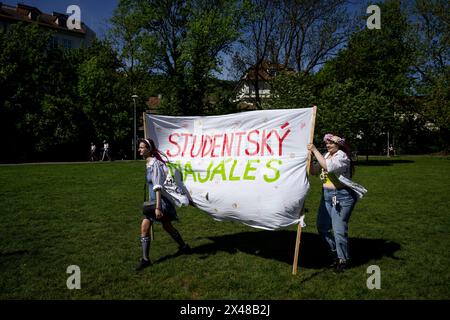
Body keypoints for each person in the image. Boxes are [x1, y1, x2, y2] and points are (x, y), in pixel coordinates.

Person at [307, 133, 366, 273]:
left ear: (338, 144)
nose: (328, 145)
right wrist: (308, 160)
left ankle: (343, 259)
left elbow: (328, 167)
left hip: (342, 196)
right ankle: (335, 251)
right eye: (327, 143)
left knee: (338, 229)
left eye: (331, 143)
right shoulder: (326, 155)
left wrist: (314, 150)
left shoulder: (342, 156)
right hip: (326, 195)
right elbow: (315, 171)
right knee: (322, 227)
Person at [135, 138, 191, 271]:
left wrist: (158, 207)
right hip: (154, 202)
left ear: (148, 149)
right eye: (139, 147)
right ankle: (183, 247)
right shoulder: (148, 163)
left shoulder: (155, 164)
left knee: (154, 226)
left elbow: (158, 187)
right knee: (164, 226)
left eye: (142, 147)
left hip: (160, 202)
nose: (139, 150)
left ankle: (146, 259)